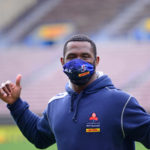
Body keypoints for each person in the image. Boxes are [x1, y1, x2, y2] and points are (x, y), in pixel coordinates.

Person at [0, 34, 150, 150]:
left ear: (96, 61)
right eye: (71, 57)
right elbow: (39, 137)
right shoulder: (55, 104)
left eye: (85, 56)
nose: (78, 62)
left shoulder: (121, 102)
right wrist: (15, 104)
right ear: (62, 62)